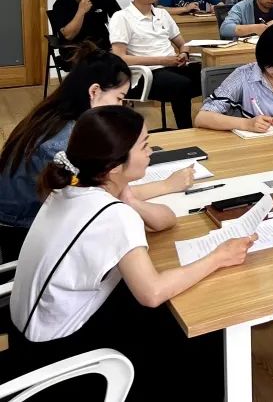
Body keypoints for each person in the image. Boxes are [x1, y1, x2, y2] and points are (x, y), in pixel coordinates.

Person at [8, 105, 253, 399]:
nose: (150, 152)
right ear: (114, 167)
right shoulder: (112, 215)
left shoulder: (72, 186)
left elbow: (165, 221)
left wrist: (131, 200)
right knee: (201, 326)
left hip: (32, 328)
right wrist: (218, 257)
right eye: (144, 146)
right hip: (58, 355)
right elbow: (152, 293)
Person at [0, 46, 194, 260]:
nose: (122, 107)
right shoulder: (66, 141)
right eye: (119, 98)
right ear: (94, 91)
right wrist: (167, 185)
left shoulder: (56, 115)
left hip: (27, 221)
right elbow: (101, 196)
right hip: (25, 234)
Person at [108, 0, 201, 129]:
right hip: (146, 73)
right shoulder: (122, 17)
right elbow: (120, 58)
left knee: (210, 75)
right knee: (182, 85)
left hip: (173, 66)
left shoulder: (162, 14)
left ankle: (210, 124)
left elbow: (182, 43)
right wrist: (163, 60)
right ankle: (186, 131)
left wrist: (184, 53)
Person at [50, 0, 121, 69]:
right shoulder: (61, 4)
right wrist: (81, 11)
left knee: (123, 56)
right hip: (74, 49)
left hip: (103, 46)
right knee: (95, 63)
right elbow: (68, 36)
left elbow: (120, 20)